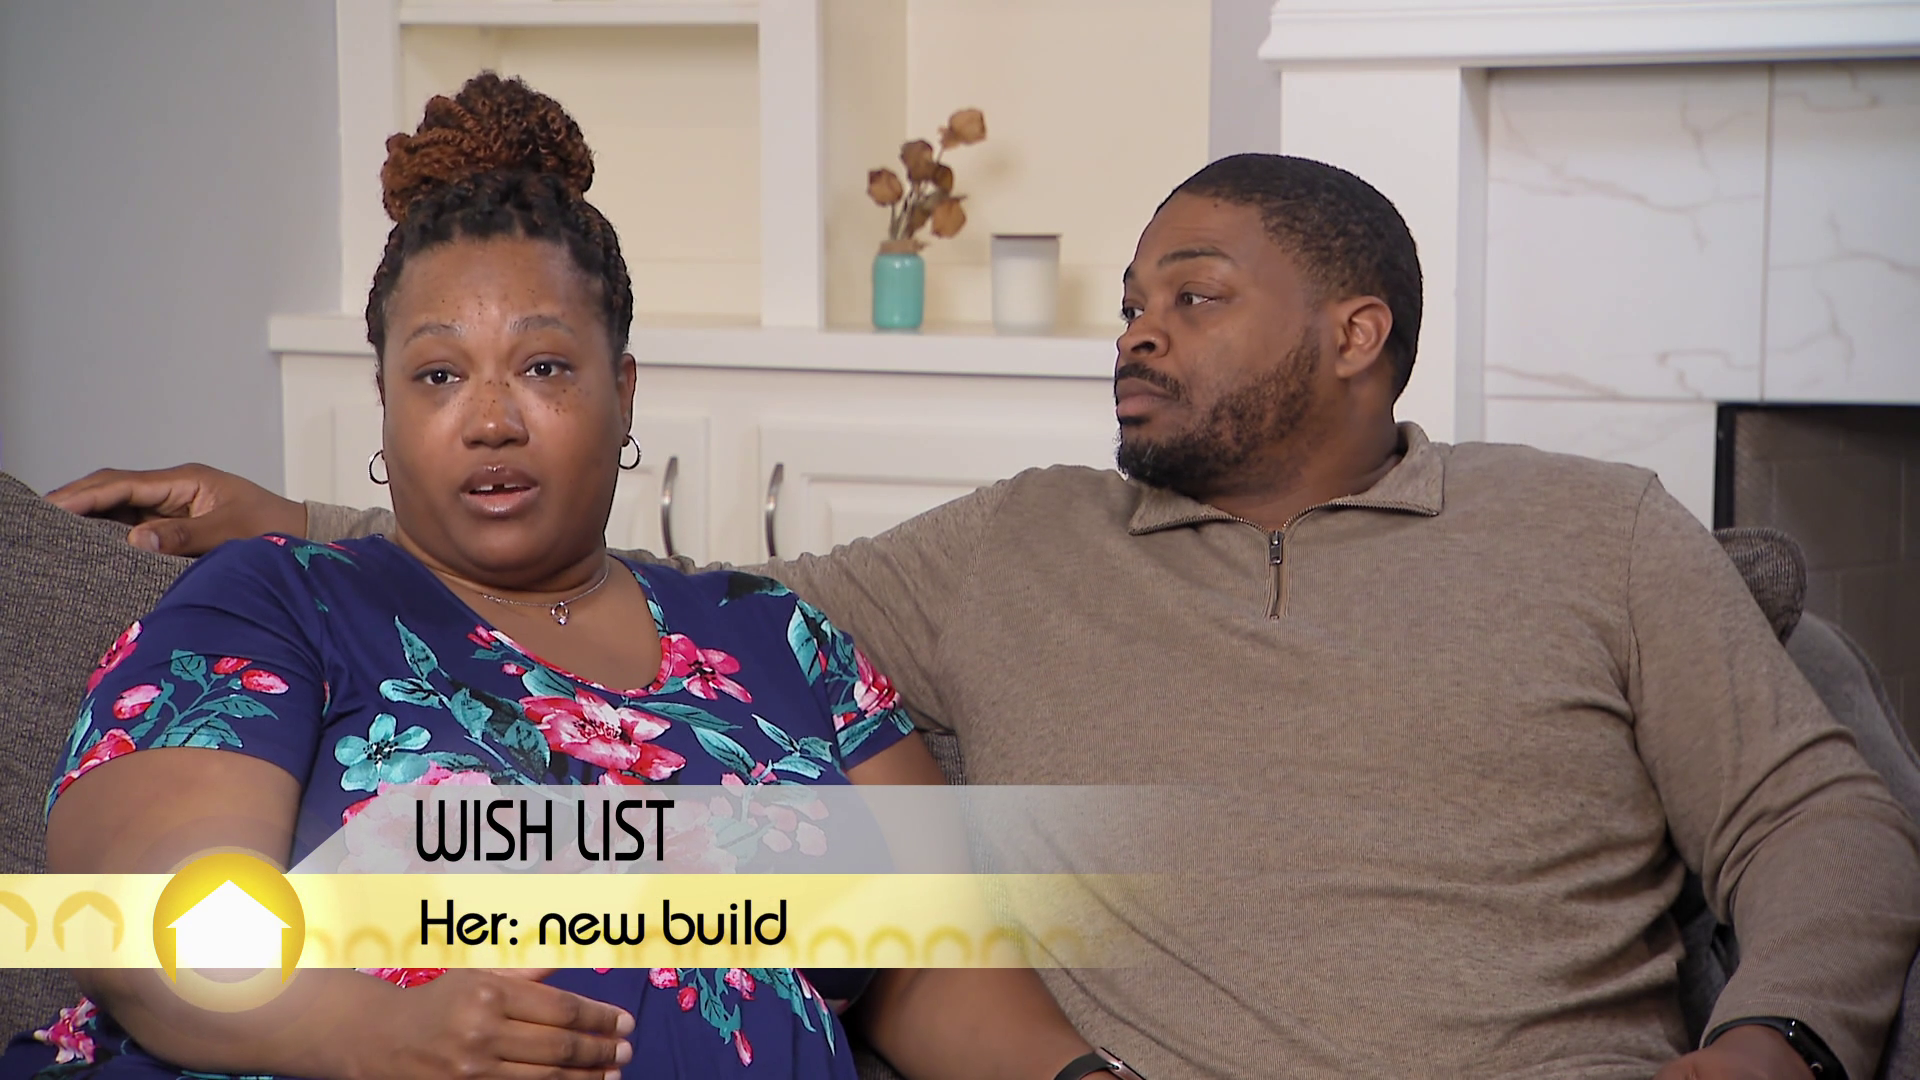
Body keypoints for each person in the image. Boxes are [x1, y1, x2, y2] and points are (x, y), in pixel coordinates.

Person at [55, 153, 1920, 1080]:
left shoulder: (1593, 532)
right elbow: (532, 581)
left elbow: (1823, 816)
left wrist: (1771, 1051)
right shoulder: (1021, 545)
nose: (1135, 329)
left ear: (1359, 335)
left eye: (1192, 296)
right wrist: (287, 519)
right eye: (1129, 299)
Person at [5, 73, 1096, 1080]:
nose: (490, 420)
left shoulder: (782, 641)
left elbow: (941, 965)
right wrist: (382, 1031)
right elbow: (153, 908)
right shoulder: (282, 599)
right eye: (439, 374)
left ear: (623, 393)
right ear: (384, 404)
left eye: (542, 367)